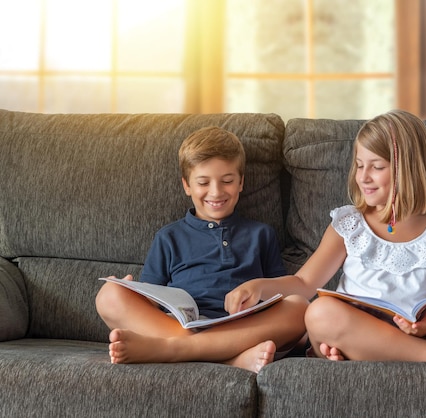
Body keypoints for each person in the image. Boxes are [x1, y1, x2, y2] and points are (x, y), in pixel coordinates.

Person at [226, 109, 426, 363]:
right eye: (359, 165)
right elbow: (305, 283)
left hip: (420, 334)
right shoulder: (349, 222)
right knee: (320, 313)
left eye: (376, 167)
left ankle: (381, 354)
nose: (363, 177)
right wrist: (259, 286)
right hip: (356, 328)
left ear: (409, 171)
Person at [95, 127, 308, 372]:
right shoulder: (169, 237)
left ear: (241, 182)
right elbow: (152, 302)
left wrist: (258, 293)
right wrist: (129, 289)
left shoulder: (261, 234)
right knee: (108, 295)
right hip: (182, 326)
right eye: (203, 182)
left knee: (299, 306)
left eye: (227, 181)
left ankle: (172, 350)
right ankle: (231, 360)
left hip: (242, 329)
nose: (216, 192)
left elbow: (278, 294)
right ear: (187, 185)